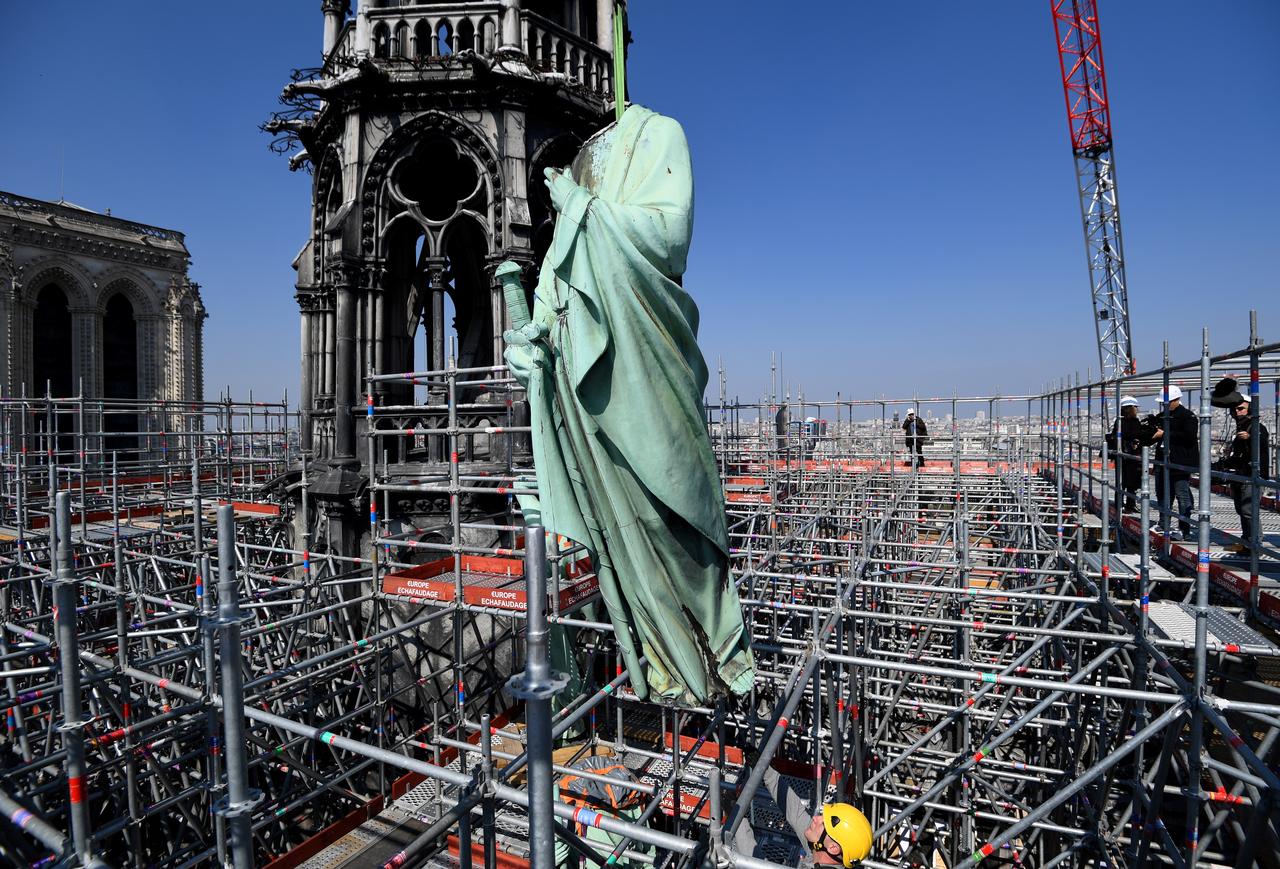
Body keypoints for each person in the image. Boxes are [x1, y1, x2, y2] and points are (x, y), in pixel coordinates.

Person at [734, 767, 873, 867]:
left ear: (833, 848)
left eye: (823, 824)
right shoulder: (822, 848)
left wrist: (734, 810)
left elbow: (752, 861)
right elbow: (795, 811)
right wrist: (762, 765)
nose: (815, 818)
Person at [1220, 395, 1270, 555]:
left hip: (1252, 475)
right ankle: (1246, 541)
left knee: (1249, 510)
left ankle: (1255, 543)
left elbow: (1261, 444)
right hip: (1241, 475)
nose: (1237, 412)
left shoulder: (1256, 427)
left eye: (1241, 408)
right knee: (1242, 509)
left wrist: (1250, 438)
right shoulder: (1241, 427)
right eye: (1235, 409)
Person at [1150, 385, 1198, 540]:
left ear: (1176, 399)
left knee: (1182, 494)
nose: (1165, 405)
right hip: (1163, 461)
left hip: (1179, 463)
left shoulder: (1187, 417)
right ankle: (1164, 523)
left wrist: (1165, 434)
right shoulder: (1162, 416)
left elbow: (1189, 437)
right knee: (1163, 494)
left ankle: (1184, 528)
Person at [1106, 396, 1144, 512]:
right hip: (1130, 454)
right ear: (1130, 408)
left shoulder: (1119, 421)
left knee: (1122, 481)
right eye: (1135, 407)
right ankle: (1129, 505)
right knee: (1130, 482)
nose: (1137, 409)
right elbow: (1134, 435)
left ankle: (1121, 504)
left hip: (1122, 454)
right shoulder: (1133, 422)